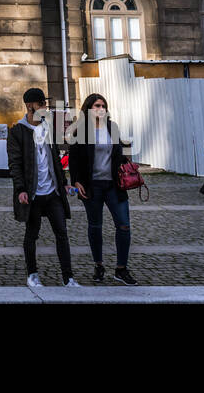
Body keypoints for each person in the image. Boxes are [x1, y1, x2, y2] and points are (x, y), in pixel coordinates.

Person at [8, 88, 78, 288]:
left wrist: (63, 183)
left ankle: (69, 278)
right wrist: (21, 189)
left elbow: (55, 159)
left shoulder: (48, 128)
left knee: (62, 233)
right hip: (32, 194)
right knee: (32, 234)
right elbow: (15, 163)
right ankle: (32, 274)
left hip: (52, 192)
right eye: (41, 105)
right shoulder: (17, 132)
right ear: (31, 106)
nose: (45, 108)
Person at [66, 93, 136, 285]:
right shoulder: (81, 131)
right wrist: (76, 181)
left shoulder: (112, 128)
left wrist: (127, 164)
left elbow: (118, 153)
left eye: (103, 105)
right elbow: (74, 158)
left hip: (114, 185)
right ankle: (98, 265)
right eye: (96, 105)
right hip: (92, 186)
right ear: (89, 109)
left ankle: (121, 269)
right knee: (95, 226)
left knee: (124, 225)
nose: (100, 109)